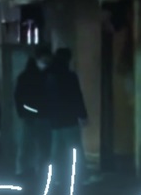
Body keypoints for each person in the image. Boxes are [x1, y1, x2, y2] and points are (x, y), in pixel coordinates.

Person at [43, 47, 88, 183]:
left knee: (56, 151)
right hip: (69, 119)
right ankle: (79, 176)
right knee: (75, 148)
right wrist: (82, 114)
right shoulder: (70, 76)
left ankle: (54, 177)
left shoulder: (48, 75)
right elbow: (77, 96)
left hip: (55, 120)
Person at [14, 47, 52, 177]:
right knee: (35, 145)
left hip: (35, 115)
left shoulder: (27, 75)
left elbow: (18, 97)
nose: (46, 62)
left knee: (32, 145)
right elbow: (19, 97)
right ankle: (34, 170)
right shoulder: (41, 76)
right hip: (35, 116)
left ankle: (27, 169)